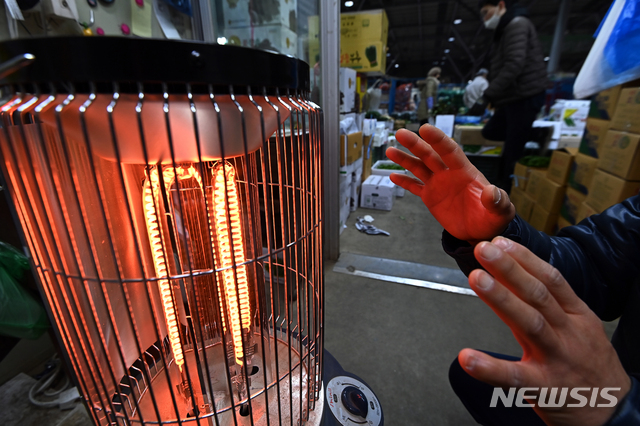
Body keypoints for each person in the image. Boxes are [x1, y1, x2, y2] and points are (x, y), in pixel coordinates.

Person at [385, 124, 640, 426]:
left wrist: (619, 413)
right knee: (469, 375)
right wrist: (499, 235)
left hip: (606, 399)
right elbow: (597, 266)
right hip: (606, 381)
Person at [479, 0, 547, 192]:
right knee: (491, 132)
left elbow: (514, 65)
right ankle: (535, 134)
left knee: (512, 153)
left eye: (486, 12)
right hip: (511, 97)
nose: (485, 18)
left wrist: (489, 94)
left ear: (500, 6)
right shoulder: (505, 29)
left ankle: (506, 196)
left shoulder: (517, 24)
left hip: (524, 95)